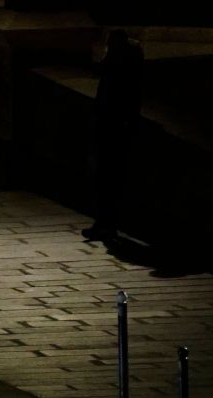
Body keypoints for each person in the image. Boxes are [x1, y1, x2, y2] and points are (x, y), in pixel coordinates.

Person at [83, 28, 144, 242]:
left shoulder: (118, 66)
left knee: (107, 179)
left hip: (112, 127)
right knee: (108, 179)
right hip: (113, 125)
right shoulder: (126, 62)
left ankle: (105, 224)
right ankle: (104, 223)